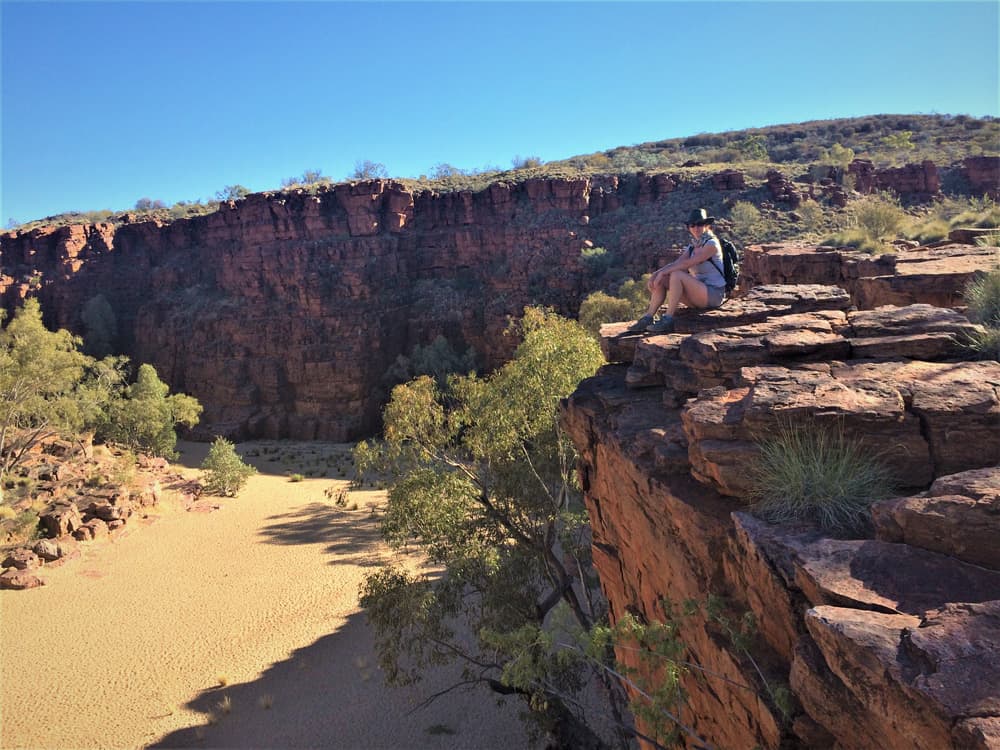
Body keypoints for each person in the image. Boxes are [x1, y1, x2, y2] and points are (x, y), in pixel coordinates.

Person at [626, 207, 728, 334]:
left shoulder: (711, 244)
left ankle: (668, 319)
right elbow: (678, 262)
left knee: (676, 275)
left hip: (713, 295)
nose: (696, 228)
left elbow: (687, 264)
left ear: (706, 225)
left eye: (700, 224)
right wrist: (657, 274)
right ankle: (648, 317)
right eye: (693, 225)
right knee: (665, 278)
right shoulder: (693, 245)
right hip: (698, 294)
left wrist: (663, 272)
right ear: (689, 228)